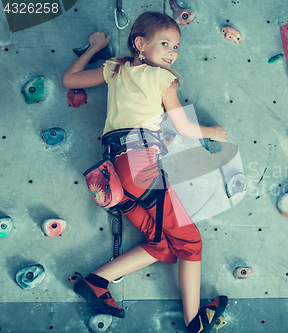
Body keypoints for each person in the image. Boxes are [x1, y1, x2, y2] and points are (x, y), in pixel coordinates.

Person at [62, 11, 227, 333]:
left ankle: (96, 282)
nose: (171, 52)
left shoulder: (116, 70)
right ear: (140, 43)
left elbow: (69, 80)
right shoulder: (163, 79)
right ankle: (195, 322)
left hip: (114, 171)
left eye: (176, 47)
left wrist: (94, 48)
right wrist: (214, 132)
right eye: (165, 43)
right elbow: (183, 126)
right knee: (191, 244)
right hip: (139, 166)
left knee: (160, 244)